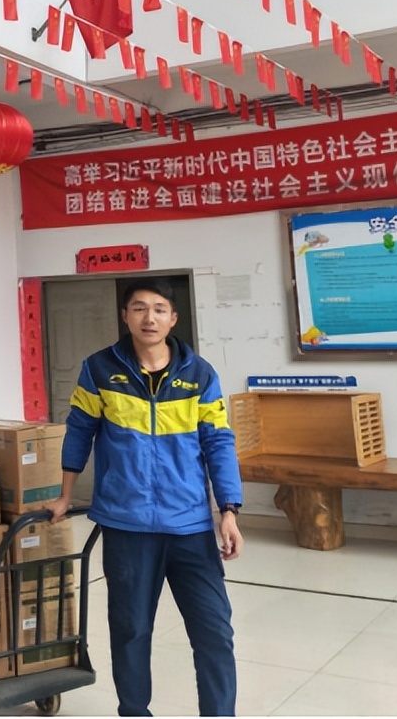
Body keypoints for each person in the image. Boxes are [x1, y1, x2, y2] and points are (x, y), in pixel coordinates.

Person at [44, 279, 243, 717]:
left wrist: (228, 510)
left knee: (214, 631)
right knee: (131, 629)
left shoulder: (199, 375)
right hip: (126, 524)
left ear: (173, 319)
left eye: (158, 309)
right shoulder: (99, 369)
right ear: (125, 316)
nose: (148, 318)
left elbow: (218, 442)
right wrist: (64, 495)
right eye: (138, 308)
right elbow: (79, 431)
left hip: (189, 525)